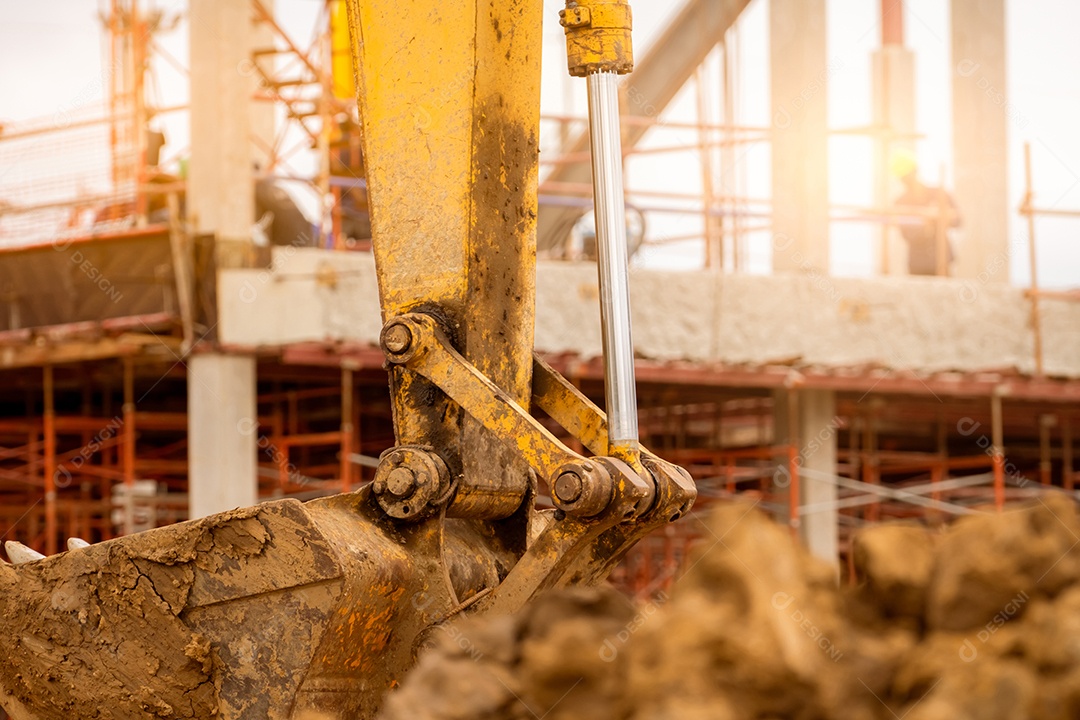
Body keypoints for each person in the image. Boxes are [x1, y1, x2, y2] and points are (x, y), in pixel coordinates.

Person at [891, 151, 960, 276]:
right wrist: (925, 225)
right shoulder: (901, 203)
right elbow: (906, 234)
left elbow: (958, 221)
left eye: (908, 174)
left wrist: (940, 217)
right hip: (918, 263)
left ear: (915, 171)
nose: (907, 179)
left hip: (941, 260)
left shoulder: (939, 194)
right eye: (904, 177)